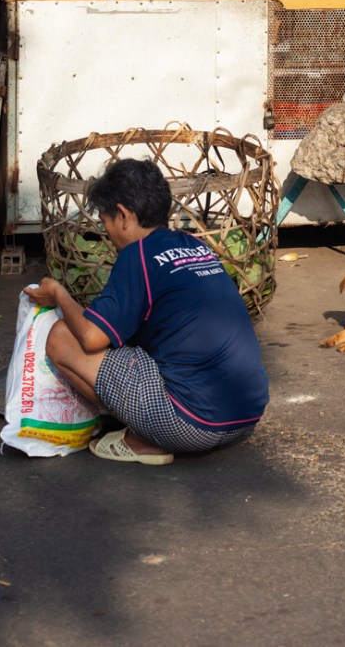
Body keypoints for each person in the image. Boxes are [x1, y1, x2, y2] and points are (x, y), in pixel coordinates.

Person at [25, 157, 269, 465]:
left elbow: (90, 338)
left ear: (124, 216)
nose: (109, 232)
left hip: (191, 426)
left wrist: (60, 294)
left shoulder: (136, 256)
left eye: (106, 221)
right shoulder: (195, 246)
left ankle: (144, 438)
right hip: (245, 417)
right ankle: (153, 426)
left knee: (62, 336)